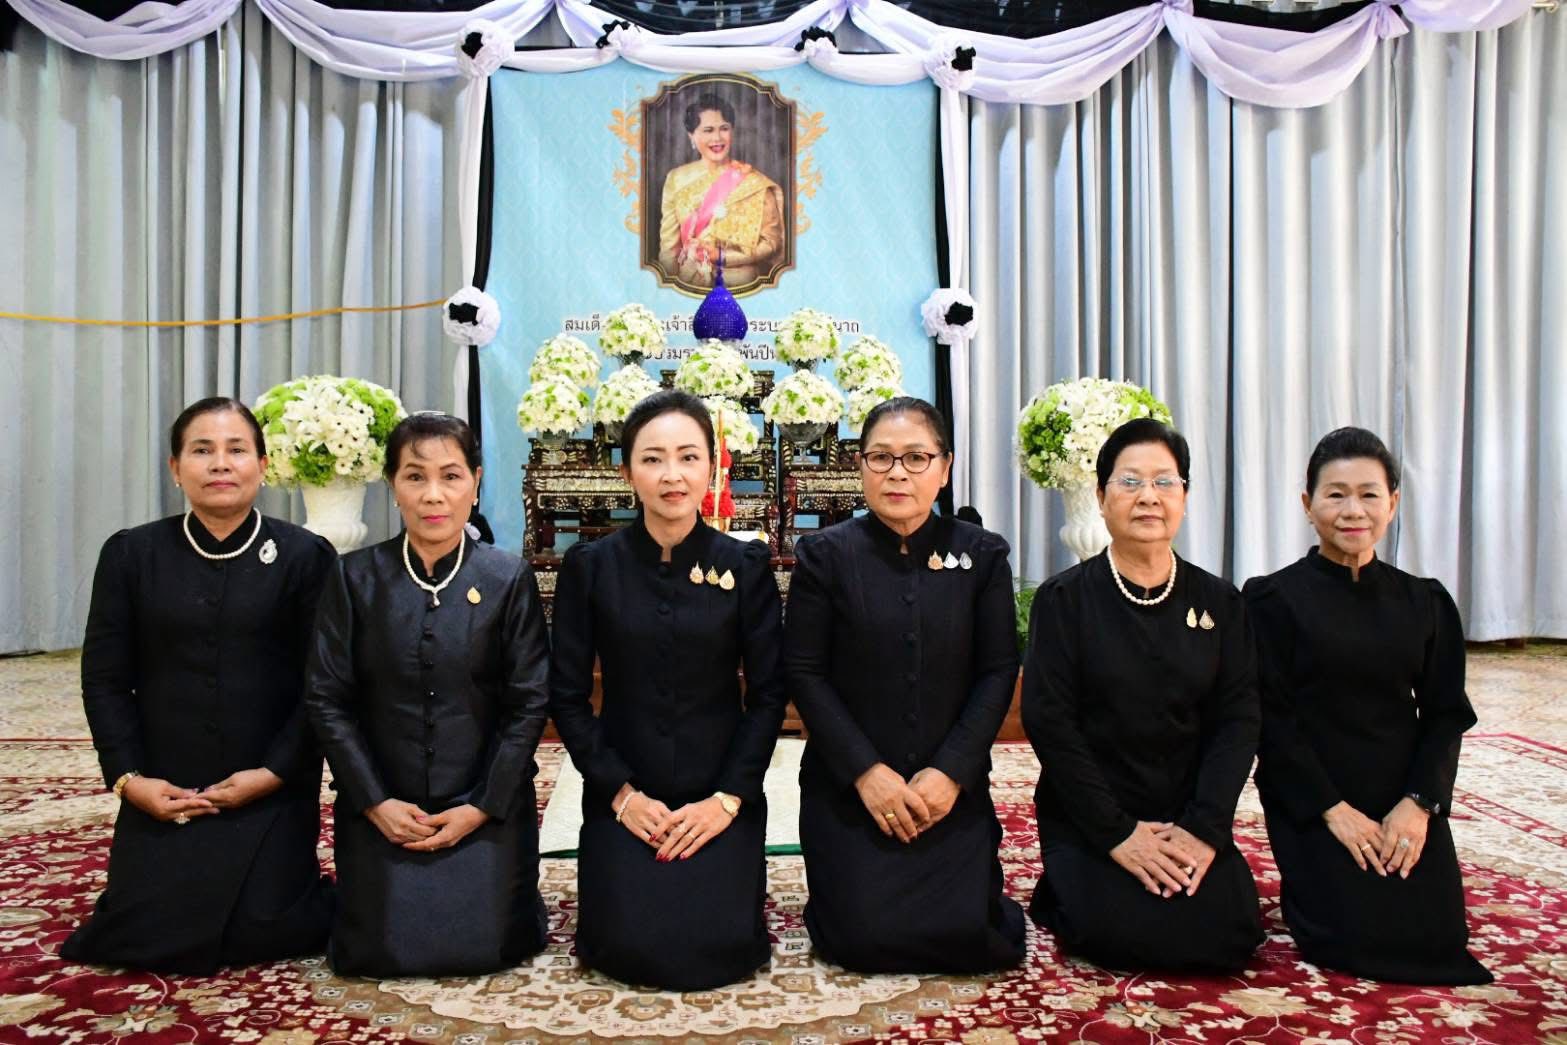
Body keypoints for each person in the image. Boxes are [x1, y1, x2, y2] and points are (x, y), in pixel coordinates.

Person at [63, 397, 334, 974]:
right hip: (166, 785)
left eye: (237, 450)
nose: (220, 464)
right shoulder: (131, 554)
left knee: (269, 930)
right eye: (202, 450)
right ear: (175, 467)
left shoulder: (306, 556)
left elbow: (325, 684)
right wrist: (129, 779)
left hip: (270, 784)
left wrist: (275, 772)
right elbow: (104, 678)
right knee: (136, 935)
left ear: (262, 465)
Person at [549, 391, 785, 990]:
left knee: (721, 946)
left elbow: (767, 696)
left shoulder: (745, 565)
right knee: (624, 947)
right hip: (626, 793)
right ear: (627, 471)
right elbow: (567, 698)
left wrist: (727, 799)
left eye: (688, 456)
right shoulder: (591, 566)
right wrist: (621, 795)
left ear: (712, 466)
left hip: (718, 793)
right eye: (653, 459)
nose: (672, 475)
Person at [785, 397, 1025, 973]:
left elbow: (998, 670)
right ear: (860, 466)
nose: (898, 473)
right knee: (861, 940)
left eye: (916, 457)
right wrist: (866, 774)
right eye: (881, 457)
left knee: (968, 936)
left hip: (949, 790)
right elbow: (805, 672)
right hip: (851, 791)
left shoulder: (982, 555)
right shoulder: (824, 556)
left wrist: (951, 772)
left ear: (944, 468)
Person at [1243, 427, 1490, 984]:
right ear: (1307, 504)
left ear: (1392, 504)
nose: (1353, 510)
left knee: (1437, 938)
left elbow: (1445, 714)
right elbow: (1269, 720)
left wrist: (1419, 805)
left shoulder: (1425, 601)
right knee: (1346, 936)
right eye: (1335, 495)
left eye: (1369, 494)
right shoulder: (1270, 599)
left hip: (1400, 788)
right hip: (1312, 790)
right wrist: (1332, 809)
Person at [306, 413, 549, 977]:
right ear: (393, 485)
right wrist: (375, 801)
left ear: (476, 482)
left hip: (483, 803)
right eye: (415, 477)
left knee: (489, 946)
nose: (433, 495)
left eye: (451, 476)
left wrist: (482, 805)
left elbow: (529, 702)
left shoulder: (507, 577)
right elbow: (327, 698)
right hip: (385, 805)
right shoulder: (354, 578)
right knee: (377, 950)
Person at [1022, 418, 1263, 972]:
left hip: (1185, 812)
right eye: (1129, 482)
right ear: (1101, 497)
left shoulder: (1221, 603)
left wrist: (1204, 829)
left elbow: (1239, 719)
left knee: (1229, 934)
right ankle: (1068, 881)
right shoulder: (1063, 601)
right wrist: (1117, 833)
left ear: (1184, 497)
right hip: (1093, 814)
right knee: (1113, 934)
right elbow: (1050, 722)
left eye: (1164, 482)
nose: (1148, 497)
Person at [657, 93, 785, 289]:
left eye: (724, 129)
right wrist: (671, 288)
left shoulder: (753, 181)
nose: (717, 138)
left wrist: (723, 257)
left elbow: (772, 242)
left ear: (732, 131)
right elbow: (668, 248)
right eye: (708, 130)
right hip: (689, 280)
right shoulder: (676, 178)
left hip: (739, 284)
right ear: (691, 135)